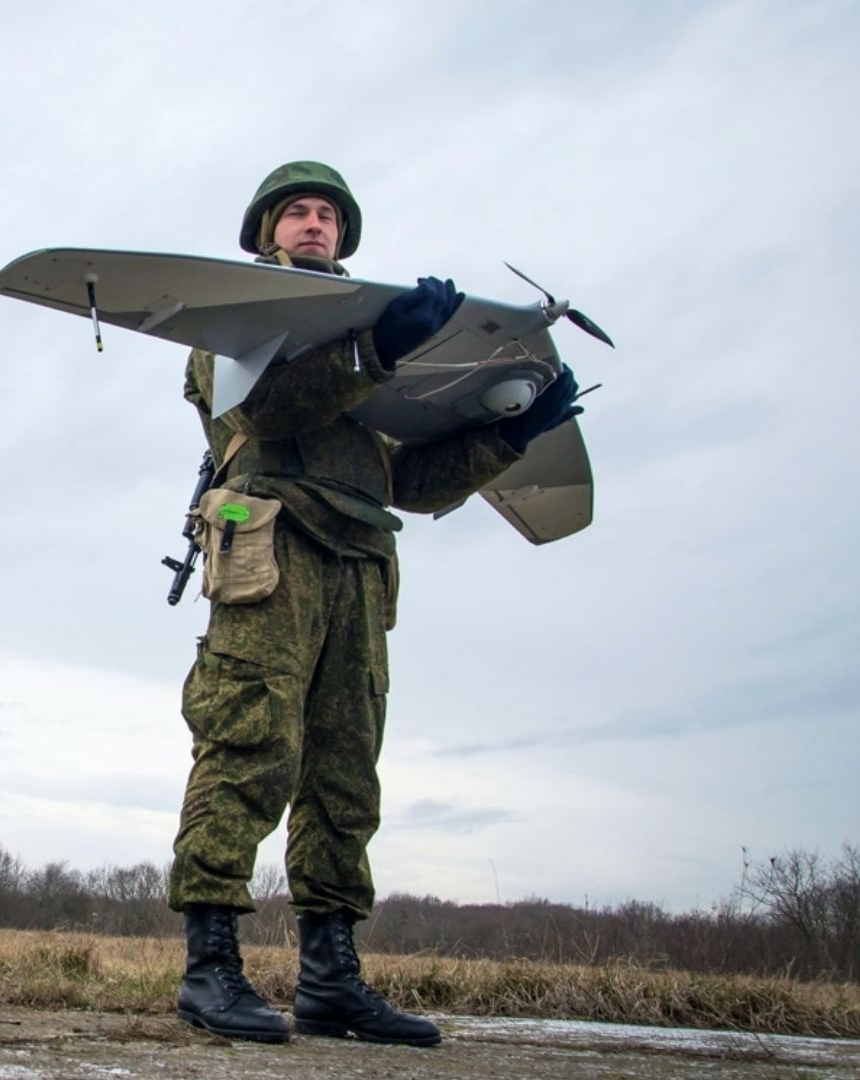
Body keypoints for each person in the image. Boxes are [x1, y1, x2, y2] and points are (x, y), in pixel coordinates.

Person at [168, 161, 581, 1047]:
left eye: (327, 215)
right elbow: (269, 418)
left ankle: (330, 980)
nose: (314, 224)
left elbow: (414, 483)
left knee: (346, 769)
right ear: (264, 233)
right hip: (270, 542)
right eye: (297, 214)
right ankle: (210, 969)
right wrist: (374, 351)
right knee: (250, 739)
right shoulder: (231, 324)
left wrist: (506, 436)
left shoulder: (382, 349)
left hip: (360, 559)